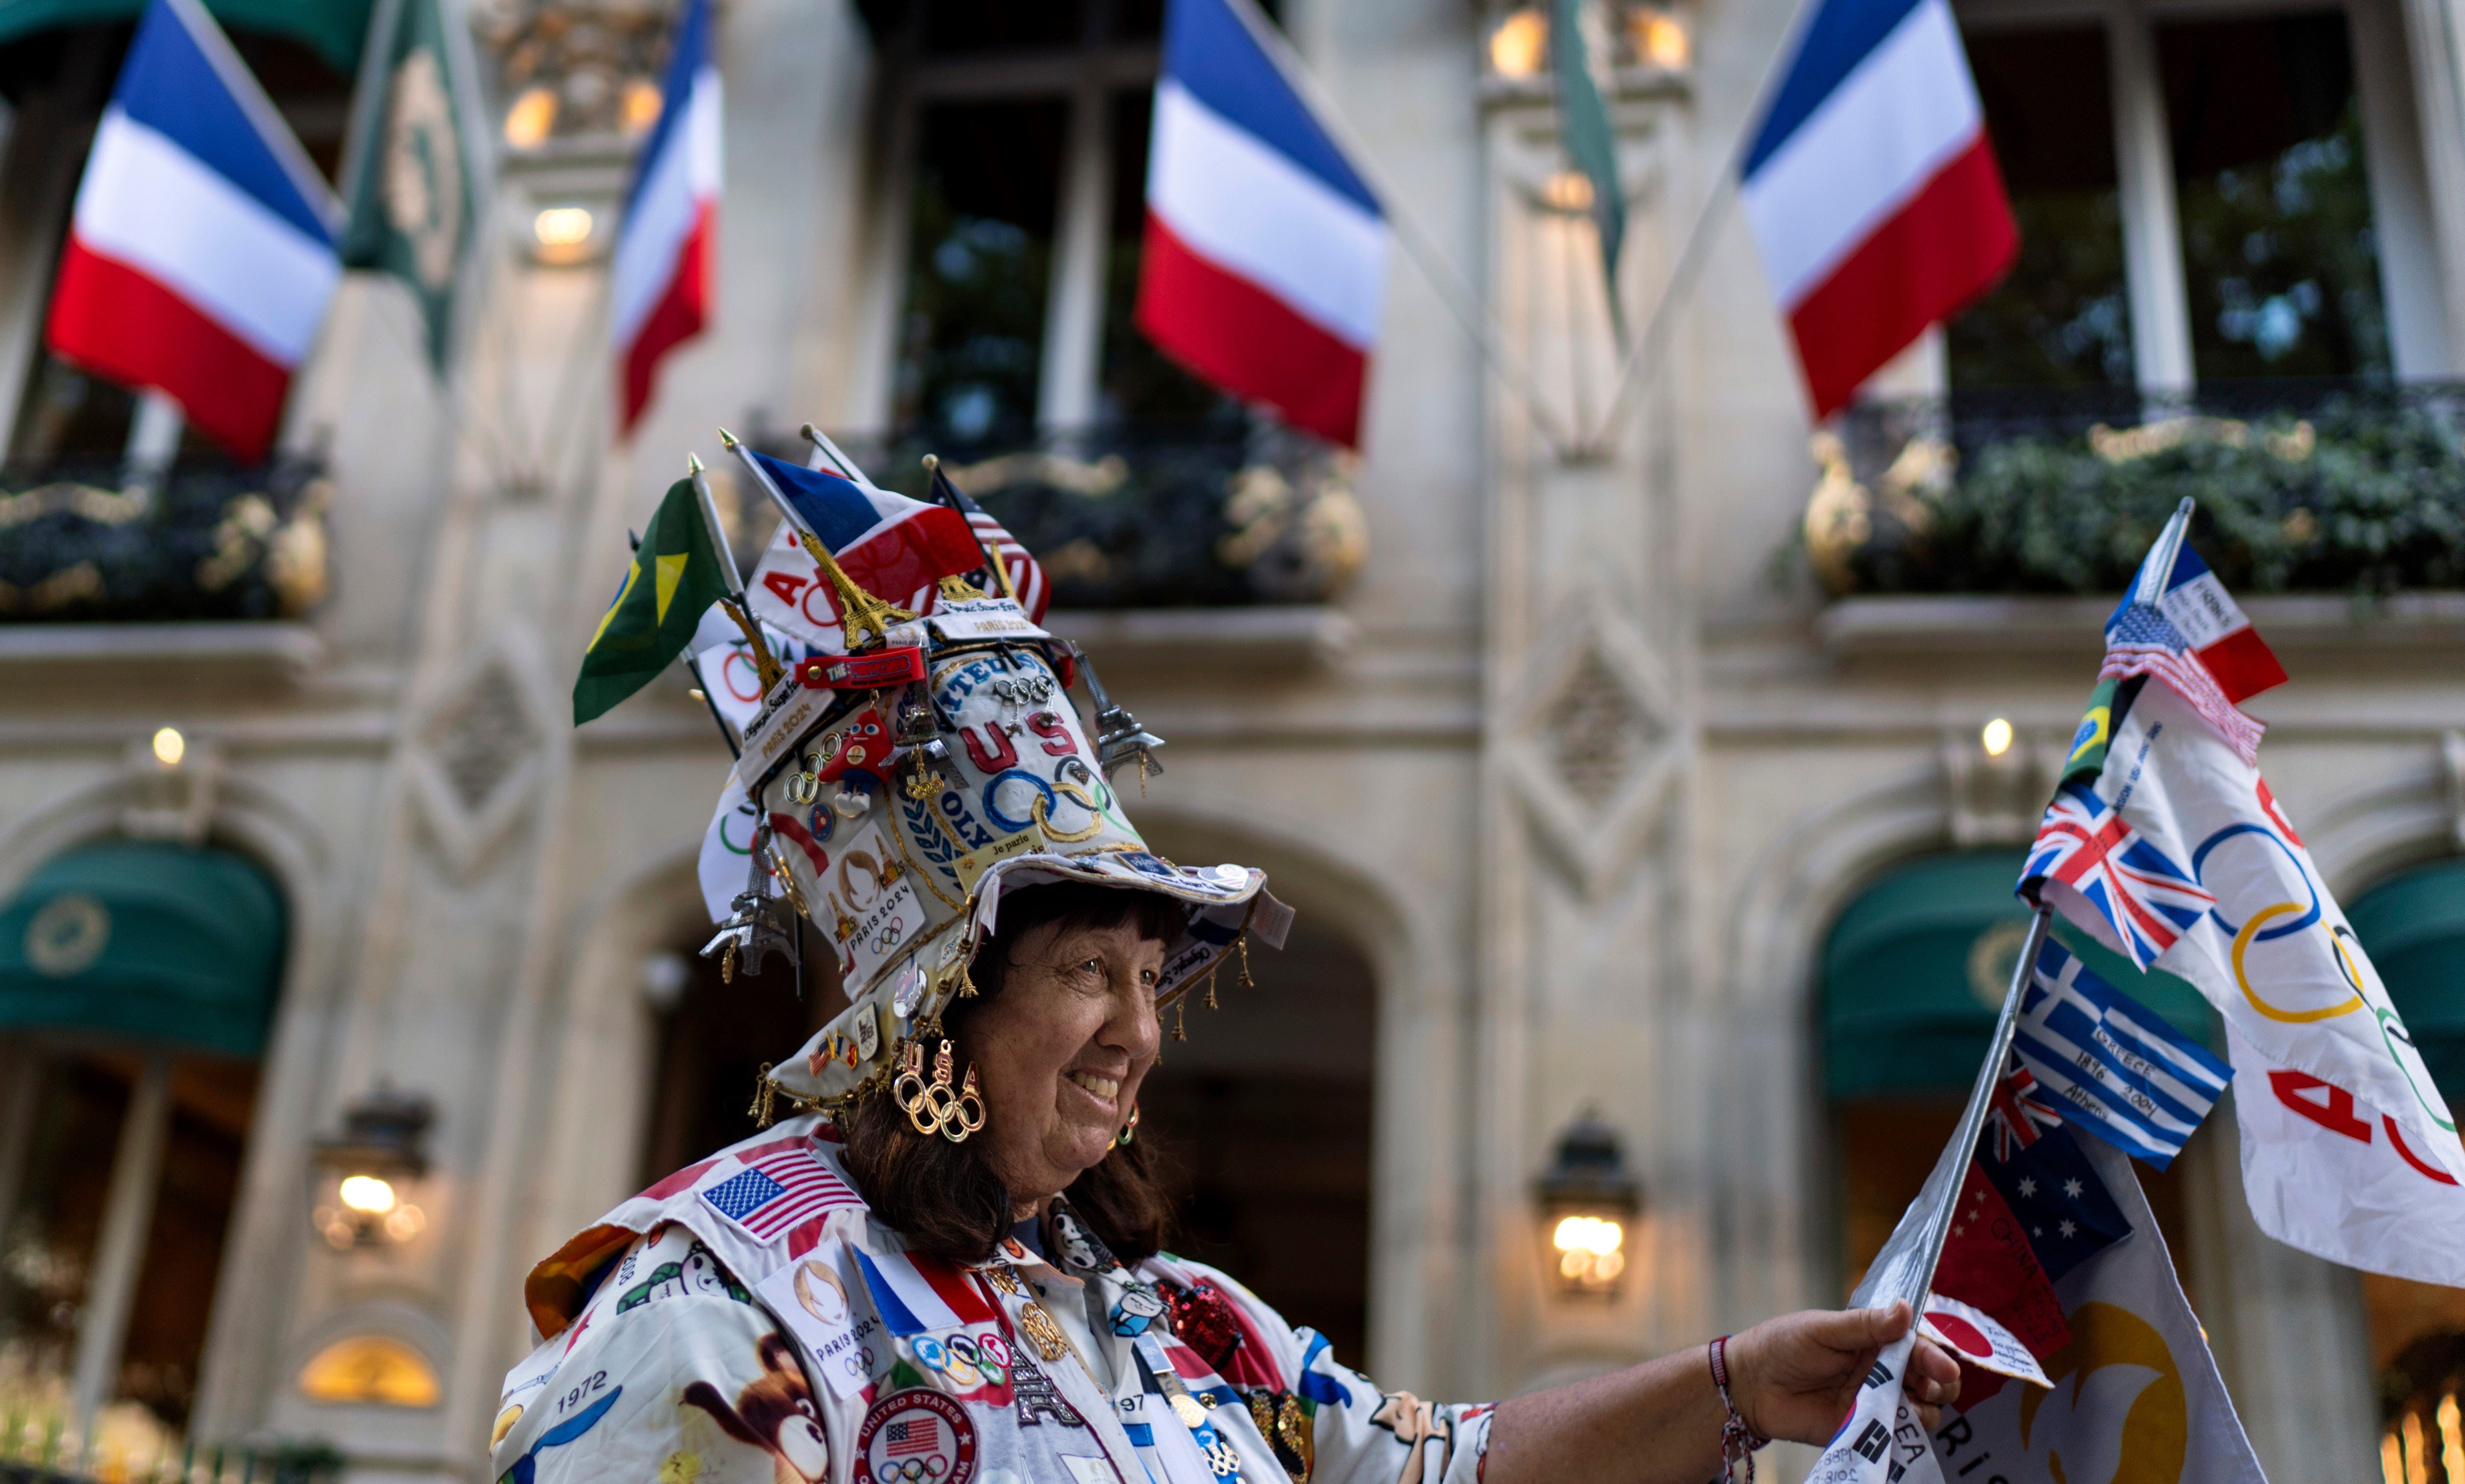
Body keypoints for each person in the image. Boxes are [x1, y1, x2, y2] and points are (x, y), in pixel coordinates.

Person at [498, 466, 1959, 1484]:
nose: (1140, 1030)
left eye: (1153, 980)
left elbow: (1437, 1464)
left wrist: (1736, 1384)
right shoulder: (721, 1303)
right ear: (937, 999)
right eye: (1089, 969)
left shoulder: (1176, 1311)